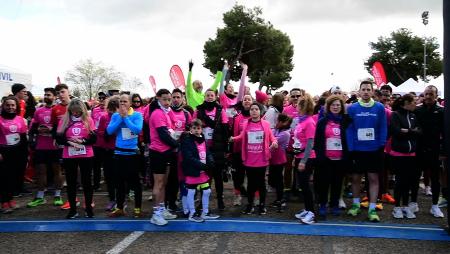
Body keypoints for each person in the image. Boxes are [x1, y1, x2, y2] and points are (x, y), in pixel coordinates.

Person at [346, 80, 387, 222]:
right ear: (359, 91)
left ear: (372, 91)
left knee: (373, 179)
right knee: (356, 178)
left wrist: (381, 144)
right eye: (363, 89)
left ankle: (372, 208)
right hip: (357, 150)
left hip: (374, 149)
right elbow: (349, 129)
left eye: (368, 89)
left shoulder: (379, 107)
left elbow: (383, 127)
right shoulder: (352, 108)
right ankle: (356, 205)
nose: (365, 92)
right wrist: (351, 147)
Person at [231, 103, 278, 215]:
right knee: (251, 184)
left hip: (262, 160)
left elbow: (272, 137)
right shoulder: (246, 123)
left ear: (260, 111)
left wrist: (275, 142)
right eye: (252, 109)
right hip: (249, 160)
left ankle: (262, 205)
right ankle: (250, 205)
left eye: (256, 109)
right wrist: (233, 139)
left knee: (261, 184)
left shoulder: (266, 124)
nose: (254, 111)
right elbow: (242, 136)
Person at [56, 99, 97, 219]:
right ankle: (73, 209)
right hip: (69, 155)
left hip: (86, 154)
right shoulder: (65, 121)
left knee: (87, 182)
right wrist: (69, 142)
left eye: (78, 111)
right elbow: (59, 138)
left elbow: (94, 139)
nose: (76, 113)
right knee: (71, 182)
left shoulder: (88, 120)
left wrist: (83, 141)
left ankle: (88, 208)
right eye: (73, 111)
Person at [106, 94, 143, 218]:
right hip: (118, 153)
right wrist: (120, 118)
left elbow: (137, 130)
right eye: (120, 101)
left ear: (130, 103)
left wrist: (126, 118)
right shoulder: (116, 116)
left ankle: (137, 207)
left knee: (135, 183)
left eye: (125, 101)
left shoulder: (137, 115)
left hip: (132, 154)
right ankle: (120, 207)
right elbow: (110, 131)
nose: (122, 104)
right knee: (119, 183)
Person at [27, 88, 64, 208]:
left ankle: (58, 195)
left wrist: (51, 131)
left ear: (55, 97)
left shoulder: (59, 110)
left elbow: (63, 128)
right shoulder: (39, 110)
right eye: (45, 95)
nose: (46, 96)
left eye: (49, 95)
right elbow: (33, 128)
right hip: (41, 146)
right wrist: (34, 135)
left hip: (55, 146)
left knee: (57, 171)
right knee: (41, 171)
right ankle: (40, 196)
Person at [314, 95, 349, 218]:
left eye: (338, 105)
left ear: (342, 107)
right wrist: (320, 156)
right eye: (333, 105)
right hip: (326, 158)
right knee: (324, 183)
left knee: (337, 183)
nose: (335, 107)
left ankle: (334, 205)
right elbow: (317, 141)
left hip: (341, 158)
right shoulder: (322, 121)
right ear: (328, 107)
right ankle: (323, 204)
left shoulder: (346, 120)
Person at [194, 89, 230, 210]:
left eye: (212, 95)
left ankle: (220, 200)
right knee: (204, 177)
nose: (209, 97)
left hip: (217, 148)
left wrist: (226, 149)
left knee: (218, 176)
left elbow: (225, 131)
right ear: (204, 97)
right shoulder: (198, 110)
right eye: (207, 95)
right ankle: (202, 202)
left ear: (215, 97)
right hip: (202, 147)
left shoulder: (221, 110)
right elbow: (192, 127)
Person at [148, 89, 178, 226]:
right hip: (158, 152)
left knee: (164, 183)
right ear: (158, 98)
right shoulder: (157, 113)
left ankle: (162, 209)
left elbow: (172, 129)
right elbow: (163, 135)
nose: (167, 102)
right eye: (164, 99)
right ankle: (156, 213)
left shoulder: (167, 112)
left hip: (167, 152)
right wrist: (178, 144)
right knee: (158, 184)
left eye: (169, 99)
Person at [180, 119, 220, 222]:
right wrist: (202, 166)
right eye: (194, 128)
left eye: (198, 128)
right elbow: (188, 157)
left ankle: (205, 212)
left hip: (202, 172)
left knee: (206, 191)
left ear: (202, 129)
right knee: (191, 191)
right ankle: (192, 214)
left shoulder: (203, 139)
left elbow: (208, 153)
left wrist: (210, 162)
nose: (197, 131)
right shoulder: (187, 141)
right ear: (190, 129)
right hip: (193, 172)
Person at [415, 85, 445, 218]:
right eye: (426, 94)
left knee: (435, 178)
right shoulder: (417, 109)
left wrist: (443, 151)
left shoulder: (442, 111)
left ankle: (434, 206)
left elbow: (445, 132)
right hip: (418, 149)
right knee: (415, 177)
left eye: (431, 94)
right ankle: (413, 203)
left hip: (434, 150)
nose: (428, 96)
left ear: (436, 96)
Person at [389, 94, 421, 219]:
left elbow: (419, 132)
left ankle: (406, 206)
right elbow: (396, 131)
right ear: (407, 103)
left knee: (408, 181)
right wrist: (411, 131)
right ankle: (397, 207)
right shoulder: (396, 115)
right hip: (398, 155)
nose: (415, 104)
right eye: (413, 102)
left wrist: (407, 131)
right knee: (400, 181)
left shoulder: (413, 116)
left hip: (411, 154)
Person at [292, 94, 317, 224]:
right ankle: (307, 209)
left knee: (306, 186)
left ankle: (311, 213)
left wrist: (303, 161)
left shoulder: (309, 122)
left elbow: (310, 143)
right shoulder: (301, 121)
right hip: (298, 156)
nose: (296, 106)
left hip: (306, 158)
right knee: (302, 184)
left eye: (299, 104)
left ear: (303, 106)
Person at [0, 96, 28, 213]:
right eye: (8, 105)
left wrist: (26, 155)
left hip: (17, 152)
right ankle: (3, 202)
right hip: (3, 152)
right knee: (3, 177)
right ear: (3, 106)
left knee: (14, 177)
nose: (10, 107)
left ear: (16, 107)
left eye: (13, 105)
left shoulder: (20, 119)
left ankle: (10, 199)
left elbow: (23, 138)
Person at [166, 88, 192, 212]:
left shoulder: (186, 113)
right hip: (169, 150)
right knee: (170, 178)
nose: (176, 99)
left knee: (181, 178)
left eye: (178, 97)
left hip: (182, 151)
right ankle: (170, 203)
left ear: (182, 99)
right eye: (174, 97)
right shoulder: (166, 112)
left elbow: (191, 131)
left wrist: (185, 133)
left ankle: (183, 202)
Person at [97, 96, 120, 211]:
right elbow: (100, 132)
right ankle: (112, 199)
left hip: (120, 150)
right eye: (110, 108)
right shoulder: (104, 117)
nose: (112, 111)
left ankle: (121, 199)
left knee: (119, 176)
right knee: (109, 176)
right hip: (107, 150)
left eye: (115, 108)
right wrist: (107, 134)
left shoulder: (122, 117)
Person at [230, 95, 253, 206]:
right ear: (242, 102)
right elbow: (232, 134)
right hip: (238, 151)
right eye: (245, 99)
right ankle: (237, 196)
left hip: (253, 152)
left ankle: (254, 196)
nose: (247, 101)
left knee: (253, 176)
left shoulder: (258, 116)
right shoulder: (236, 117)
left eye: (249, 99)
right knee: (237, 177)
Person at [268, 113, 292, 211]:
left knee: (278, 180)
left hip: (279, 159)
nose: (276, 123)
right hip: (273, 159)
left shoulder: (285, 134)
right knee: (273, 179)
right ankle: (279, 198)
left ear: (283, 123)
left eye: (278, 121)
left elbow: (272, 142)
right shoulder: (276, 130)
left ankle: (280, 199)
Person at [91, 92, 108, 191]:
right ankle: (96, 184)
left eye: (103, 98)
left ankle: (108, 183)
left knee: (106, 164)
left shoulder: (110, 110)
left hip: (106, 141)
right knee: (96, 164)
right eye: (100, 98)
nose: (101, 100)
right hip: (96, 141)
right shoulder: (95, 110)